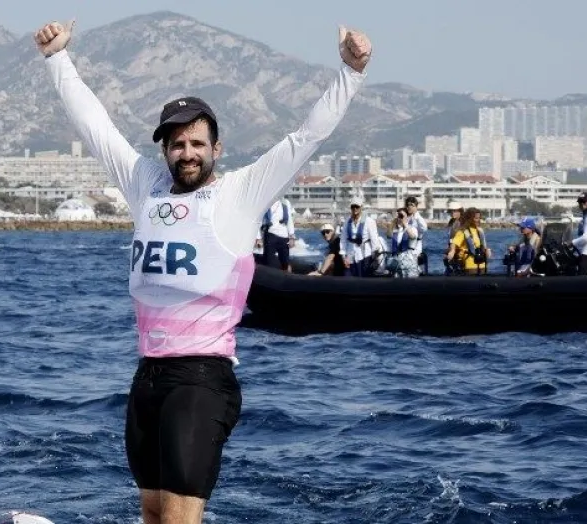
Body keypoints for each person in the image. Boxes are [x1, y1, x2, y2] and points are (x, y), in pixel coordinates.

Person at [34, 19, 372, 524]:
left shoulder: (238, 193)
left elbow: (307, 137)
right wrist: (58, 58)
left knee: (177, 518)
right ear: (164, 149)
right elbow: (95, 127)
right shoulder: (146, 185)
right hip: (147, 376)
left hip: (201, 379)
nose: (186, 153)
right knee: (151, 512)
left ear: (216, 147)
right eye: (176, 144)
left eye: (196, 143)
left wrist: (351, 71)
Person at [339, 198, 382, 277]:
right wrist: (343, 257)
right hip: (350, 255)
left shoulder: (369, 221)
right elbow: (343, 239)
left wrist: (375, 259)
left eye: (357, 207)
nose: (355, 208)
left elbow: (374, 240)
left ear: (361, 207)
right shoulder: (347, 221)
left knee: (364, 281)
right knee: (348, 279)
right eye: (353, 207)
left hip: (365, 255)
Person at [446, 207, 491, 275]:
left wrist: (487, 250)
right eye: (475, 218)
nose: (477, 220)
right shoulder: (463, 231)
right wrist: (452, 251)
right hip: (470, 266)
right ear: (469, 218)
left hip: (482, 265)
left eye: (479, 218)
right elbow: (454, 243)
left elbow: (482, 246)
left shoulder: (479, 231)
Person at [257, 198, 296, 271]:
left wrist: (292, 237)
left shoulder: (285, 202)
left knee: (285, 262)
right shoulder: (265, 201)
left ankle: (288, 279)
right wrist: (258, 238)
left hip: (284, 235)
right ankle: (269, 279)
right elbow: (258, 220)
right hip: (270, 234)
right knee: (268, 262)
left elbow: (289, 220)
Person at [385, 207, 420, 278]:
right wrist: (392, 222)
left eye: (401, 216)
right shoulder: (396, 230)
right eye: (398, 216)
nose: (399, 218)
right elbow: (388, 236)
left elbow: (413, 236)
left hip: (409, 263)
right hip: (396, 262)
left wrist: (405, 223)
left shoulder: (412, 228)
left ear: (407, 217)